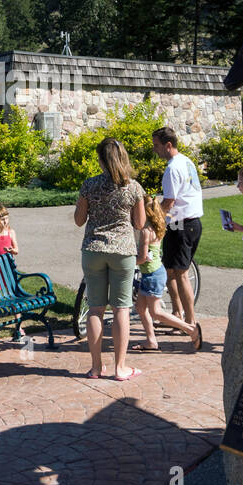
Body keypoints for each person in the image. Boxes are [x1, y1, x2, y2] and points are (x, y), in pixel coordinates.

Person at [73, 137, 145, 381]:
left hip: (93, 249)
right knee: (121, 309)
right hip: (123, 252)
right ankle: (120, 368)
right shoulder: (134, 188)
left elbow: (79, 220)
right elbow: (140, 223)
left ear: (101, 159)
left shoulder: (89, 185)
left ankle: (95, 367)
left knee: (95, 308)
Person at [133, 194, 202, 352]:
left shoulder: (146, 231)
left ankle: (191, 329)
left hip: (152, 276)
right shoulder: (155, 226)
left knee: (155, 312)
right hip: (154, 273)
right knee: (140, 308)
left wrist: (127, 262)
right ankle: (151, 340)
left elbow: (143, 258)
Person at [153, 127, 203, 329]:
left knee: (181, 273)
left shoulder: (172, 168)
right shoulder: (186, 161)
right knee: (170, 271)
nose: (155, 150)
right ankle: (177, 313)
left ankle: (190, 322)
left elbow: (169, 202)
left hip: (181, 224)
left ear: (168, 145)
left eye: (157, 145)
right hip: (188, 223)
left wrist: (153, 220)